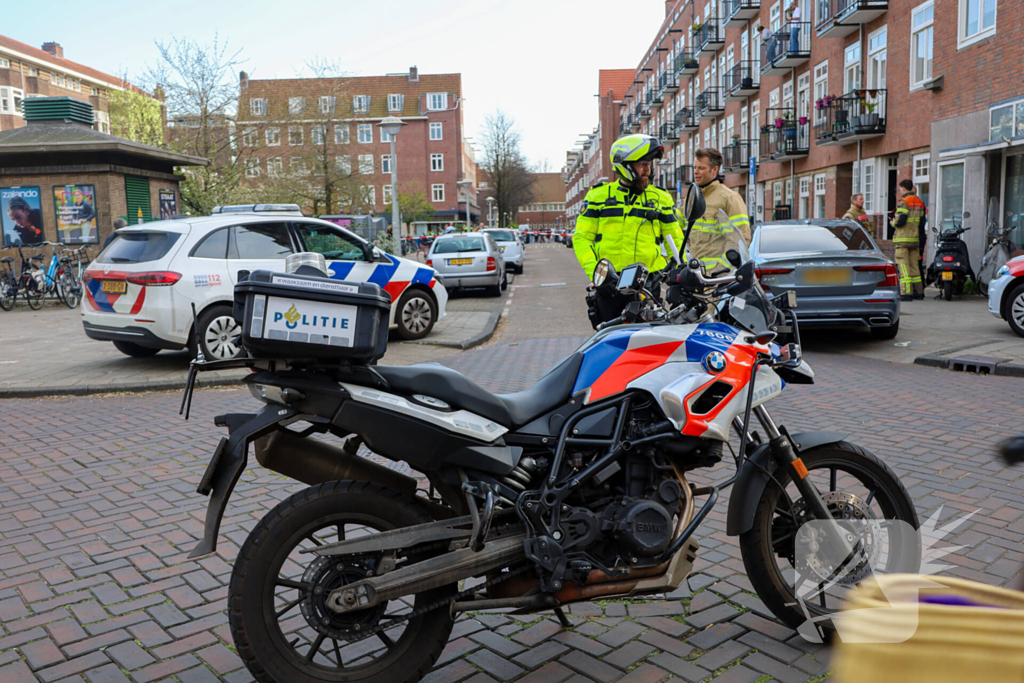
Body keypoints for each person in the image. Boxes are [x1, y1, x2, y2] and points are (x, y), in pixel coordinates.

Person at [573, 133, 684, 328]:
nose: (648, 169)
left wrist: (682, 272)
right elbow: (582, 238)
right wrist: (597, 275)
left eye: (649, 164)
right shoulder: (598, 196)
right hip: (611, 286)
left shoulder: (661, 198)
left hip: (648, 286)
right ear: (623, 165)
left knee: (653, 346)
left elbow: (675, 241)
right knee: (610, 345)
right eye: (642, 164)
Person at [689, 148, 751, 273]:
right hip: (696, 277)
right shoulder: (692, 199)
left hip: (718, 281)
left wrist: (718, 273)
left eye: (701, 168)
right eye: (694, 167)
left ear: (715, 170)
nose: (695, 172)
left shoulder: (730, 198)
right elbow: (674, 224)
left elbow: (740, 241)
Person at [890, 179, 926, 301]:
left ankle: (906, 293)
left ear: (904, 189)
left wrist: (892, 222)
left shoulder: (903, 202)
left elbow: (901, 221)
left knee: (903, 266)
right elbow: (921, 221)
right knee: (915, 266)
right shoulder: (920, 202)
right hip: (915, 240)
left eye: (900, 189)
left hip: (902, 240)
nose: (900, 191)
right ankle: (919, 292)